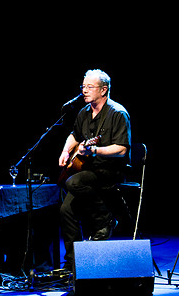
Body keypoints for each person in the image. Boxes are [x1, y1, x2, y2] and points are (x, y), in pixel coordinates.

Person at [59, 69, 131, 271]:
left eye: (90, 87)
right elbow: (74, 134)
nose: (84, 91)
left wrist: (96, 150)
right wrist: (66, 151)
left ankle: (105, 218)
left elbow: (122, 149)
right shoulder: (84, 112)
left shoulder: (118, 113)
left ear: (104, 90)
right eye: (83, 86)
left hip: (110, 171)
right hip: (89, 172)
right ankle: (73, 263)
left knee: (73, 182)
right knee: (65, 210)